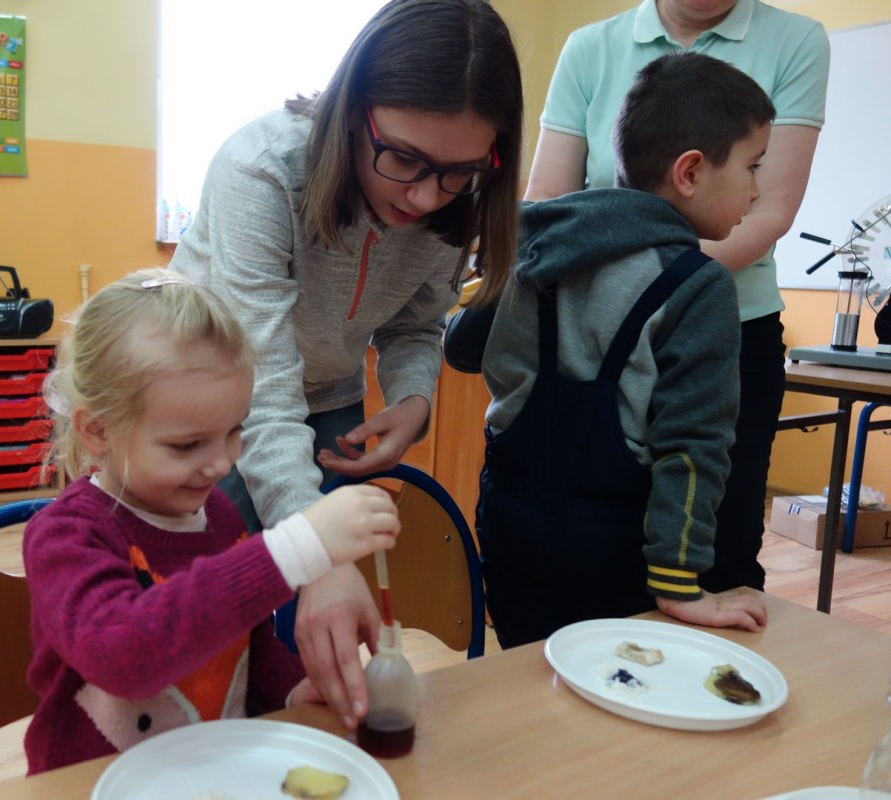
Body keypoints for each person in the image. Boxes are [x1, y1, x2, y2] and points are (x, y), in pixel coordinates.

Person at [169, 0, 523, 728]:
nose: (425, 196)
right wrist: (320, 553)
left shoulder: (459, 198)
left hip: (329, 394)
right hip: (209, 401)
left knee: (315, 621)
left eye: (458, 172)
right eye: (404, 159)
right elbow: (262, 386)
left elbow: (415, 324)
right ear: (352, 111)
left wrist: (414, 400)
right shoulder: (262, 168)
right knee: (204, 615)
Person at [445, 51, 773, 648]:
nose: (756, 191)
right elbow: (693, 447)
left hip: (509, 526)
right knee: (612, 683)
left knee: (529, 669)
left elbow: (462, 349)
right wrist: (678, 583)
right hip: (615, 549)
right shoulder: (698, 285)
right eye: (752, 167)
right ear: (690, 172)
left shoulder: (533, 243)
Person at [21, 268, 401, 773]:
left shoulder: (217, 514)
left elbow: (248, 644)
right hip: (90, 784)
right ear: (98, 431)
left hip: (208, 773)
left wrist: (291, 690)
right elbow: (121, 656)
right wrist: (295, 547)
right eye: (187, 445)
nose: (222, 464)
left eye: (233, 431)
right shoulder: (66, 536)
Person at [523, 0, 830, 594]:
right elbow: (547, 198)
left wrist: (648, 285)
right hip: (593, 333)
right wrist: (634, 290)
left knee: (718, 549)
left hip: (729, 328)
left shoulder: (796, 40)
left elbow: (770, 210)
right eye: (750, 168)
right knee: (591, 534)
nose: (752, 185)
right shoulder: (591, 46)